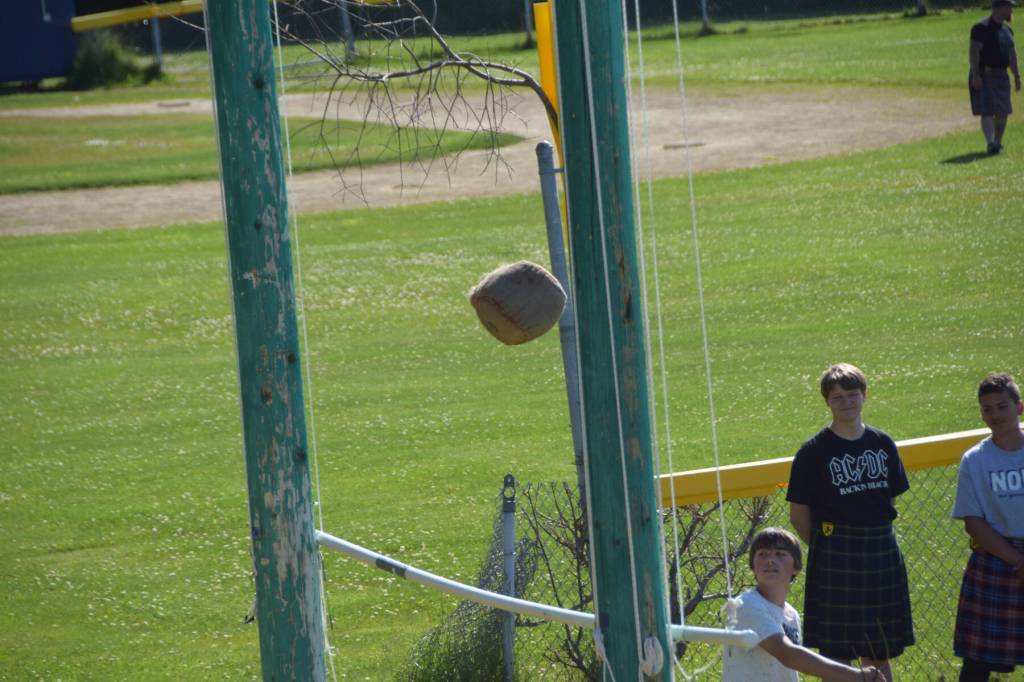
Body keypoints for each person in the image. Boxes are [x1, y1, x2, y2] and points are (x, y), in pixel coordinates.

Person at [786, 363, 915, 680]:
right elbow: (799, 514)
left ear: (864, 395)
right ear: (827, 401)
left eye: (852, 394)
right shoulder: (813, 452)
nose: (846, 402)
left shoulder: (882, 443)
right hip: (836, 556)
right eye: (838, 396)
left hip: (880, 549)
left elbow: (889, 500)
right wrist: (827, 546)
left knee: (879, 648)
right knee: (836, 653)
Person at [723, 527, 886, 682]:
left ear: (796, 567)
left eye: (780, 554)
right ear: (752, 565)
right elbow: (788, 655)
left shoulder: (791, 614)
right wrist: (856, 675)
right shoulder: (746, 604)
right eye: (763, 554)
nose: (770, 560)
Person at [952, 372, 1024, 681]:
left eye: (1002, 406)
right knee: (977, 663)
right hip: (996, 557)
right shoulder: (974, 460)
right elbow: (974, 523)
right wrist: (1018, 560)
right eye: (987, 408)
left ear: (1019, 407)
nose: (995, 415)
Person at [969, 0, 1022, 154]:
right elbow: (974, 52)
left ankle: (998, 141)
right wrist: (976, 75)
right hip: (985, 74)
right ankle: (990, 142)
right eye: (1009, 7)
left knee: (1003, 111)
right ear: (999, 8)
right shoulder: (981, 28)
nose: (1011, 10)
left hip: (1001, 75)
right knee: (988, 110)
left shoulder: (1007, 31)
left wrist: (1017, 76)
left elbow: (1012, 55)